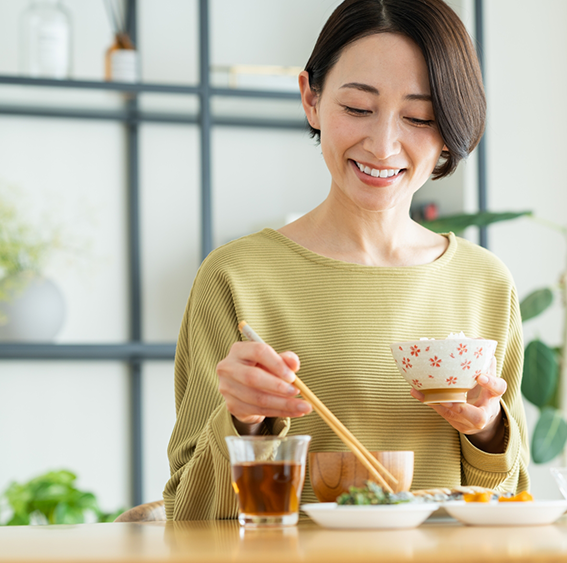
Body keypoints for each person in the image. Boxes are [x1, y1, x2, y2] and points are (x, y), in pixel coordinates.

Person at [163, 0, 529, 520]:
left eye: (419, 117)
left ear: (449, 127)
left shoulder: (483, 283)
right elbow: (192, 517)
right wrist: (244, 422)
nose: (383, 145)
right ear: (310, 99)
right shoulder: (236, 277)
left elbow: (511, 508)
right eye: (357, 108)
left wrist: (488, 430)